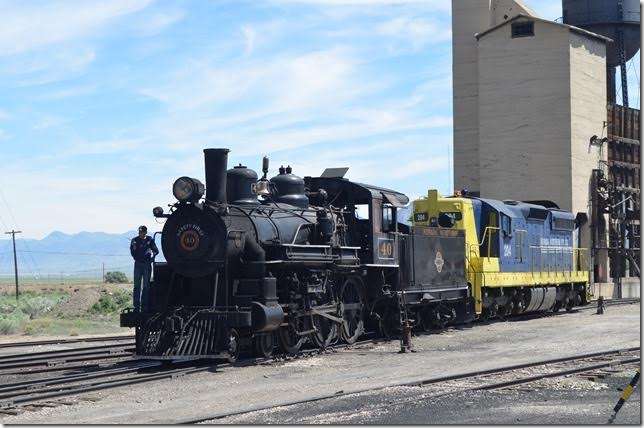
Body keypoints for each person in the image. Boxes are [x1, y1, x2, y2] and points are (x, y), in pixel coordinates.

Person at [130, 225, 159, 311]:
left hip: (147, 264)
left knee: (146, 286)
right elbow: (133, 253)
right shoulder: (134, 240)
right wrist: (134, 248)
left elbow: (156, 251)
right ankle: (136, 306)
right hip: (138, 264)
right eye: (139, 232)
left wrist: (152, 258)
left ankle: (144, 306)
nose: (141, 234)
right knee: (137, 286)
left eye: (142, 232)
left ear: (145, 232)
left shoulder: (150, 240)